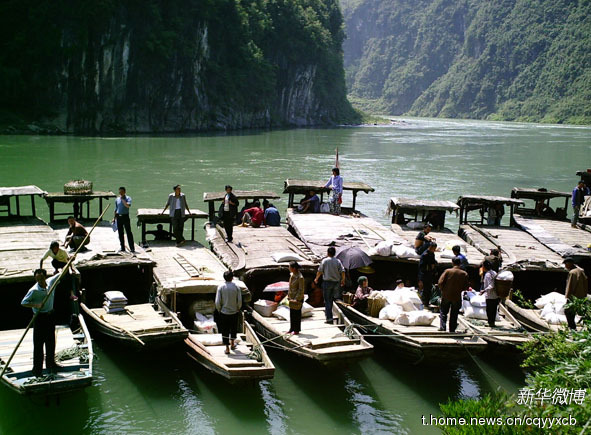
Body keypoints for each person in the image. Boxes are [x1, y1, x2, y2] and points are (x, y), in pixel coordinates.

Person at [21, 269, 62, 376]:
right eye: (37, 278)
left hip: (50, 316)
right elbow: (24, 302)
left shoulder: (51, 283)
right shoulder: (34, 290)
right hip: (39, 318)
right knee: (39, 344)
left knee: (51, 341)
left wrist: (69, 262)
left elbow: (61, 274)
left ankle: (51, 364)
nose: (39, 280)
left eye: (41, 278)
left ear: (45, 277)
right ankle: (37, 369)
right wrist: (36, 305)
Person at [314, 246, 345, 324]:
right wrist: (343, 280)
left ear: (328, 253)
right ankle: (337, 316)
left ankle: (329, 318)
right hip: (336, 283)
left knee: (327, 300)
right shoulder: (338, 261)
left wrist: (316, 278)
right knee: (335, 299)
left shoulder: (325, 261)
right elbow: (343, 271)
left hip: (327, 282)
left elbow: (320, 271)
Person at [438, 257, 469, 332]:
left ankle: (443, 327)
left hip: (446, 295)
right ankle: (452, 329)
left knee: (443, 311)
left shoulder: (448, 271)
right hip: (457, 296)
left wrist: (443, 289)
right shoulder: (464, 274)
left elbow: (440, 282)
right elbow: (466, 287)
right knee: (454, 314)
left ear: (452, 262)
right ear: (460, 263)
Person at [215, 271, 242, 354]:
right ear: (232, 277)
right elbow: (239, 300)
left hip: (224, 312)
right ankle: (232, 344)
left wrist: (219, 309)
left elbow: (217, 301)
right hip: (234, 312)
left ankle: (227, 348)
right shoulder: (236, 287)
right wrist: (238, 308)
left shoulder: (221, 287)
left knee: (225, 330)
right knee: (233, 328)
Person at [563, 257, 588, 330]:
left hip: (573, 297)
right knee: (576, 312)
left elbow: (570, 285)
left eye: (566, 264)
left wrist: (568, 296)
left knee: (568, 311)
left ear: (570, 264)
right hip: (581, 296)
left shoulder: (572, 272)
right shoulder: (581, 271)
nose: (565, 266)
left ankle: (572, 327)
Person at [112, 187, 135, 253]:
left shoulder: (128, 198)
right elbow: (116, 209)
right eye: (119, 192)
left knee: (128, 232)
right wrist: (114, 218)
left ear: (124, 192)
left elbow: (128, 206)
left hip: (125, 217)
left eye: (122, 192)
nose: (120, 193)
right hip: (119, 217)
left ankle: (132, 248)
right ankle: (122, 247)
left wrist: (123, 200)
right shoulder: (117, 199)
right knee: (120, 233)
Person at [287, 261, 305, 334]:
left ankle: (296, 329)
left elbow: (301, 289)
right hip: (291, 297)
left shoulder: (300, 277)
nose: (289, 268)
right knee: (292, 314)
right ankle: (292, 328)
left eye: (290, 267)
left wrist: (297, 299)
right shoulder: (292, 275)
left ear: (294, 268)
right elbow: (290, 286)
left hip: (297, 298)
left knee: (297, 314)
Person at [480, 260, 499, 327]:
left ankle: (490, 323)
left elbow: (491, 286)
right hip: (496, 295)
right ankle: (492, 323)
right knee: (494, 310)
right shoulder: (494, 272)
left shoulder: (488, 275)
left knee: (489, 310)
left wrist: (484, 291)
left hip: (490, 295)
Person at [418, 243, 437, 308]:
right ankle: (422, 303)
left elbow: (433, 262)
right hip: (424, 275)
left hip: (430, 274)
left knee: (428, 289)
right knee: (424, 289)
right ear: (430, 247)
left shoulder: (432, 254)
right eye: (433, 249)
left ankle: (426, 303)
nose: (434, 250)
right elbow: (421, 267)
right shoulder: (424, 255)